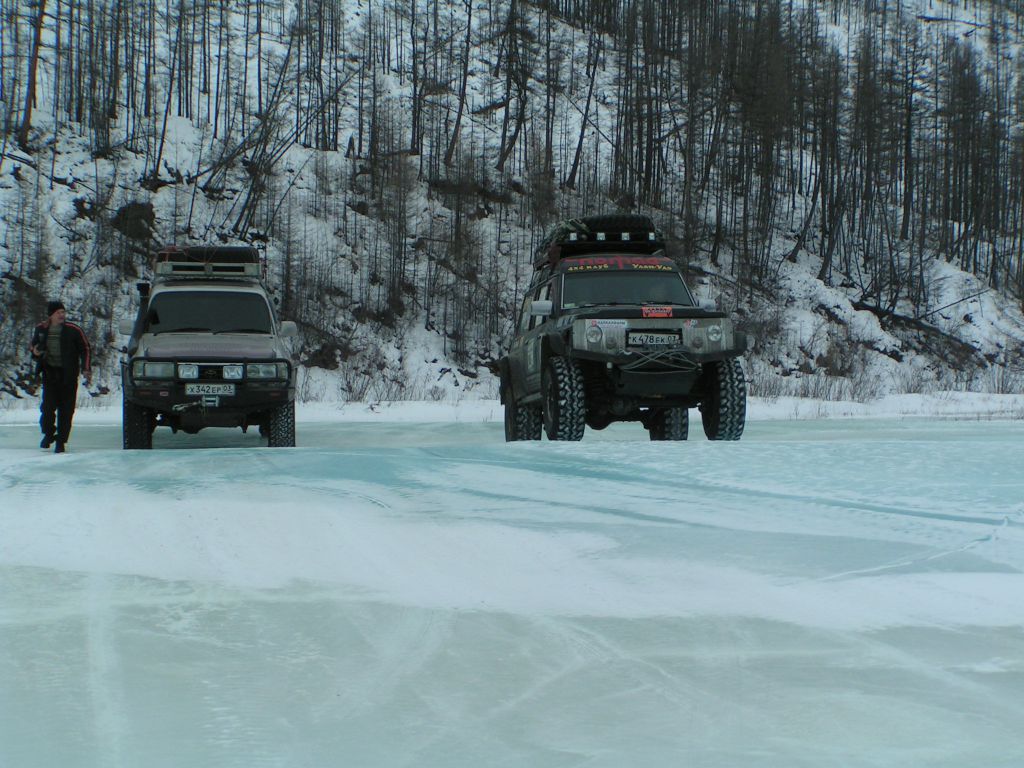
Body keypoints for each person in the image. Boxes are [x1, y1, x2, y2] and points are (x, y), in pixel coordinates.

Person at [29, 300, 92, 453]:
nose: (62, 315)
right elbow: (33, 347)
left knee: (66, 411)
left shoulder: (74, 330)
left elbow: (85, 348)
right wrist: (35, 352)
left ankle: (61, 441)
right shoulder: (41, 329)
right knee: (47, 408)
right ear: (51, 315)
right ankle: (49, 433)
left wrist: (86, 368)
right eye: (59, 313)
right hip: (50, 374)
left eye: (63, 312)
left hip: (68, 376)